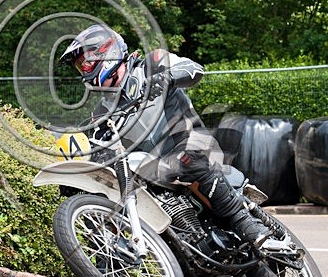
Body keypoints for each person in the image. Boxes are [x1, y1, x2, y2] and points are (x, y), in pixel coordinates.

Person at [58, 23, 292, 252]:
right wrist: (75, 171)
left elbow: (194, 69)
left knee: (189, 158)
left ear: (106, 53)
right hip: (153, 168)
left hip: (191, 142)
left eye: (85, 63)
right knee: (109, 197)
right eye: (81, 67)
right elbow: (98, 148)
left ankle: (253, 230)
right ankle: (108, 274)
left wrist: (168, 76)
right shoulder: (101, 113)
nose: (84, 71)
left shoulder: (151, 64)